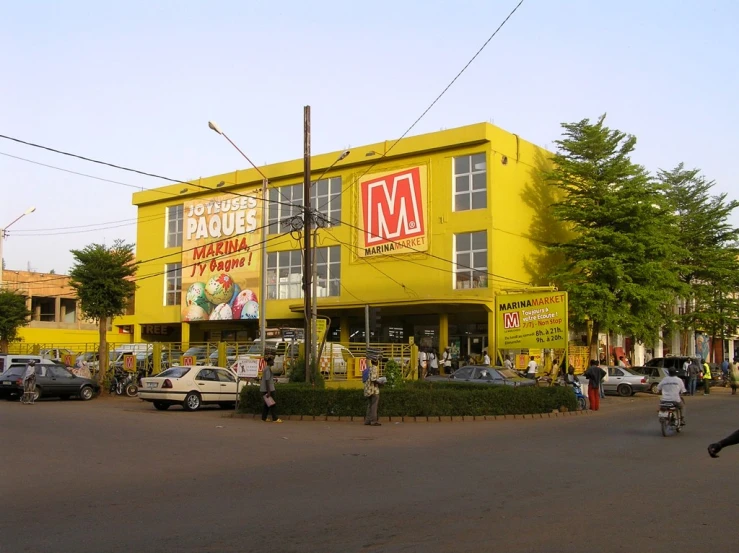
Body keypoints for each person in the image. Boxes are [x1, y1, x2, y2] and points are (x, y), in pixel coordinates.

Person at [260, 355, 282, 423]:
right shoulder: (268, 369)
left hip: (265, 389)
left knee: (267, 404)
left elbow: (268, 379)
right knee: (272, 404)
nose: (273, 362)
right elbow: (267, 380)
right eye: (272, 361)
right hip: (269, 390)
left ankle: (264, 418)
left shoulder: (266, 368)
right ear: (269, 361)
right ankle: (275, 418)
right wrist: (269, 392)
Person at [364, 358, 382, 426]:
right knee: (374, 405)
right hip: (373, 390)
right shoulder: (374, 368)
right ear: (376, 362)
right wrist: (380, 383)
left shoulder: (370, 368)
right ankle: (373, 421)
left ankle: (367, 420)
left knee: (370, 405)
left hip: (368, 389)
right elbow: (373, 379)